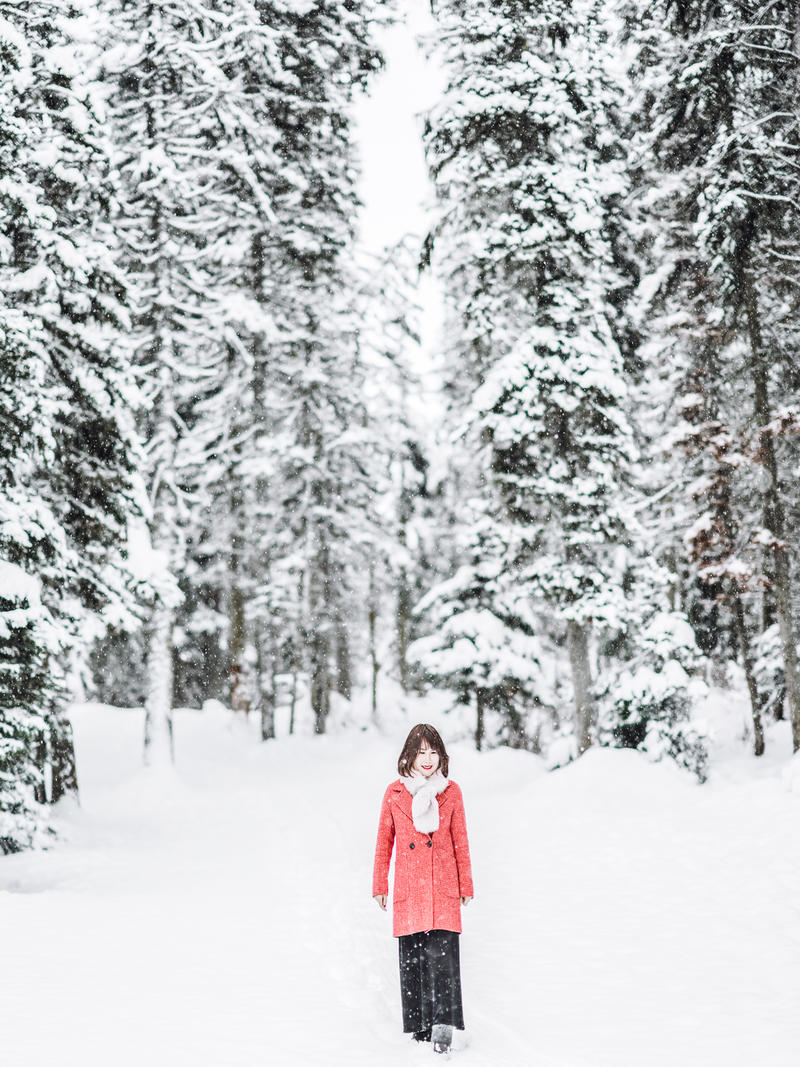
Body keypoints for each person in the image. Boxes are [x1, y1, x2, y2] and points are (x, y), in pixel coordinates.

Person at [372, 723, 474, 1054]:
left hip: (443, 884)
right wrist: (380, 884)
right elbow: (384, 842)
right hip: (410, 887)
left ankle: (443, 1025)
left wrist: (466, 883)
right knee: (414, 959)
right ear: (410, 757)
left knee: (443, 958)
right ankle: (419, 1027)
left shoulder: (452, 792)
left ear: (441, 756)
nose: (427, 759)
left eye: (433, 752)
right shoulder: (394, 793)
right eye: (421, 752)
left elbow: (460, 841)